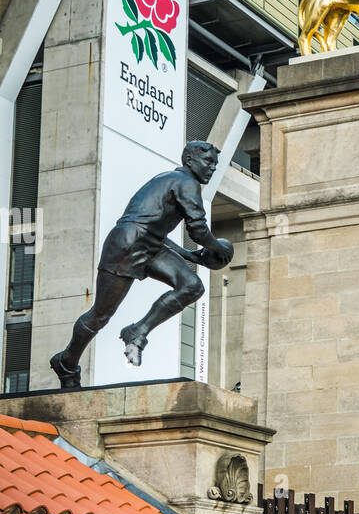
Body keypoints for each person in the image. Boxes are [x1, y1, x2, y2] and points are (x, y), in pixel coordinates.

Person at [50, 141, 232, 389]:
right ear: (189, 161)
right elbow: (198, 229)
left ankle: (138, 331)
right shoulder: (186, 182)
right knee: (101, 315)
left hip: (150, 244)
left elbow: (158, 233)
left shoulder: (172, 180)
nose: (212, 168)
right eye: (208, 162)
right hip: (128, 244)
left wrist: (191, 256)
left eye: (215, 164)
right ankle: (67, 361)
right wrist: (217, 248)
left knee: (192, 286)